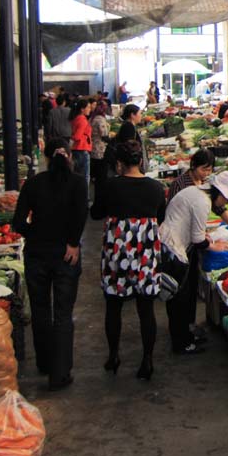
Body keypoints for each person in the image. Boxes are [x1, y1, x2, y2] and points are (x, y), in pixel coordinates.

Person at [12, 138, 87, 391]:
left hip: (37, 255)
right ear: (70, 157)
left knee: (41, 311)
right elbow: (80, 215)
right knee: (63, 314)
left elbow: (18, 223)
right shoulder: (77, 183)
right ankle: (60, 373)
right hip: (66, 255)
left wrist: (35, 234)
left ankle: (44, 362)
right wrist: (73, 243)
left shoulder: (33, 184)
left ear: (45, 158)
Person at [91, 140, 166, 381]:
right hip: (145, 251)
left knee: (113, 305)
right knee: (146, 309)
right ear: (141, 161)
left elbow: (95, 213)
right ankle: (147, 360)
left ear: (119, 164)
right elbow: (161, 217)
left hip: (118, 252)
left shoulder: (111, 186)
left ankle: (113, 355)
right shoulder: (155, 188)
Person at [160, 171, 228, 355]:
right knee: (178, 300)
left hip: (173, 243)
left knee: (181, 297)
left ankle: (185, 336)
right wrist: (216, 246)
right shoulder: (202, 201)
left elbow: (192, 227)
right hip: (173, 248)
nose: (226, 204)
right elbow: (198, 240)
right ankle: (181, 343)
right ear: (219, 193)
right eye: (226, 199)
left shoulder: (197, 193)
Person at [167, 149, 228, 232]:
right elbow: (173, 214)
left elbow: (218, 207)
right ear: (193, 166)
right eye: (203, 170)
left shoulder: (207, 181)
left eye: (209, 170)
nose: (206, 173)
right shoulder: (179, 184)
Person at [68, 98, 93, 193]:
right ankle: (84, 196)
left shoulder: (76, 118)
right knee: (85, 176)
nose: (90, 109)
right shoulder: (82, 120)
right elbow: (77, 136)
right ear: (82, 109)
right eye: (88, 107)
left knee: (77, 174)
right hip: (82, 149)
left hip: (76, 149)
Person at [90, 100, 110, 198]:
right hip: (100, 150)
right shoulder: (100, 119)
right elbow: (104, 135)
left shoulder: (93, 118)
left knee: (97, 176)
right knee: (101, 176)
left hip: (93, 148)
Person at [120, 104, 149, 172]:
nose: (141, 116)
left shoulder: (129, 125)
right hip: (131, 166)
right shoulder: (128, 127)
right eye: (140, 113)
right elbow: (130, 146)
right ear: (132, 115)